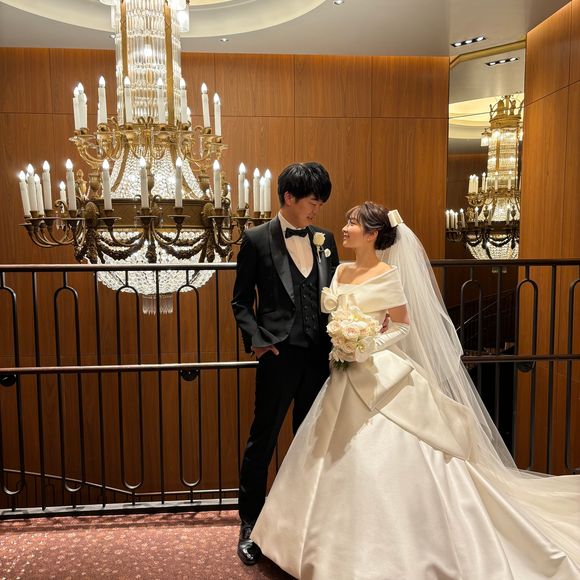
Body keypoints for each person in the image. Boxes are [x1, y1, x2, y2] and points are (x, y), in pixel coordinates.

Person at [251, 202, 580, 579]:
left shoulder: (388, 275)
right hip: (341, 373)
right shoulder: (339, 270)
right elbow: (332, 313)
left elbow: (402, 326)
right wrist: (342, 341)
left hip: (378, 373)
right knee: (325, 451)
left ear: (372, 234)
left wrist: (366, 345)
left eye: (352, 223)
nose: (344, 228)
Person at [231, 162, 340, 566]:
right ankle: (250, 525)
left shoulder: (325, 239)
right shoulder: (256, 239)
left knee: (310, 441)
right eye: (312, 202)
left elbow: (335, 293)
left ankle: (301, 523)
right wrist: (258, 342)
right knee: (263, 440)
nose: (316, 209)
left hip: (319, 357)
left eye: (320, 203)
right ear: (289, 197)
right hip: (279, 356)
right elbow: (240, 301)